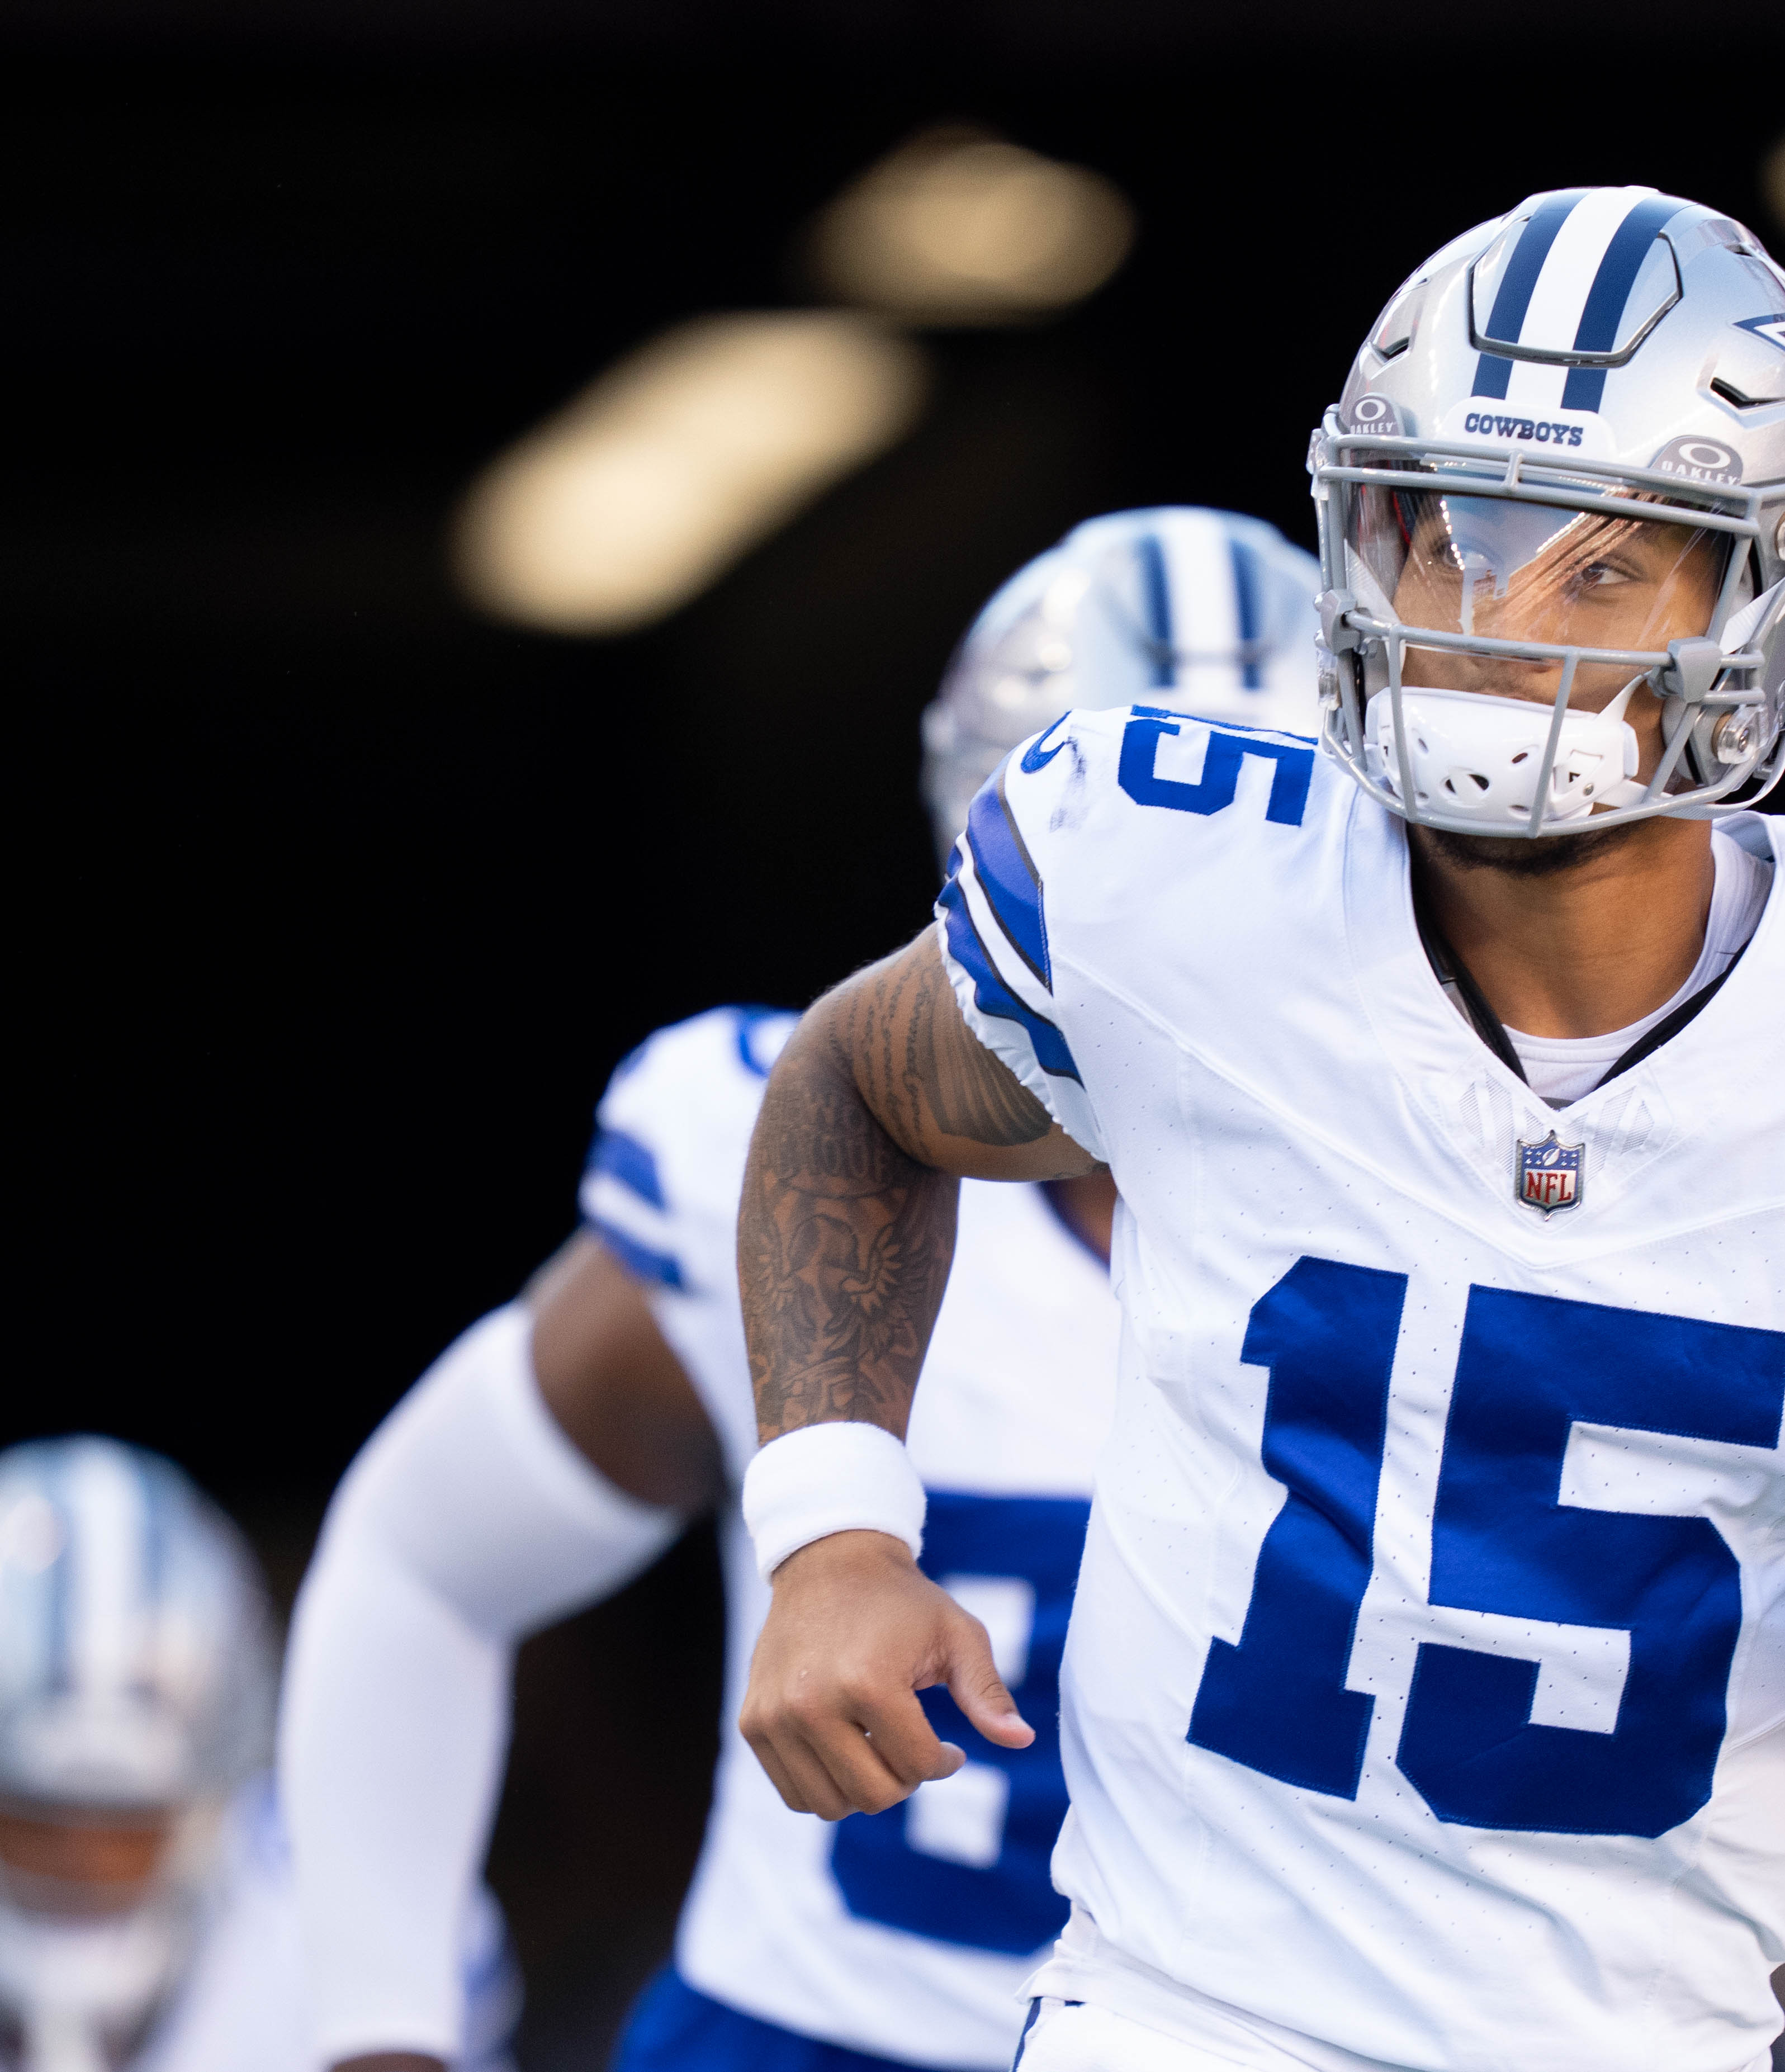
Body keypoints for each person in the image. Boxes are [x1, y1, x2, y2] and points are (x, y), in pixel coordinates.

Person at [731, 186, 1785, 2072]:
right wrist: (831, 1528)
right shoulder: (1190, 884)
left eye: (1599, 567)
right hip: (1182, 2018)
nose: (1495, 619)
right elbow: (850, 1079)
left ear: (1766, 590)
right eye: (1447, 536)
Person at [278, 509, 1324, 2072]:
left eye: (1254, 867)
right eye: (1120, 865)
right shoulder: (794, 1166)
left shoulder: (1531, 1208)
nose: (1183, 938)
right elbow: (424, 1561)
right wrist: (380, 2036)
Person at [0, 1436, 515, 2072]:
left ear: (204, 1806)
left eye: (126, 1822)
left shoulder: (323, 1929)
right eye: (34, 1816)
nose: (81, 1858)